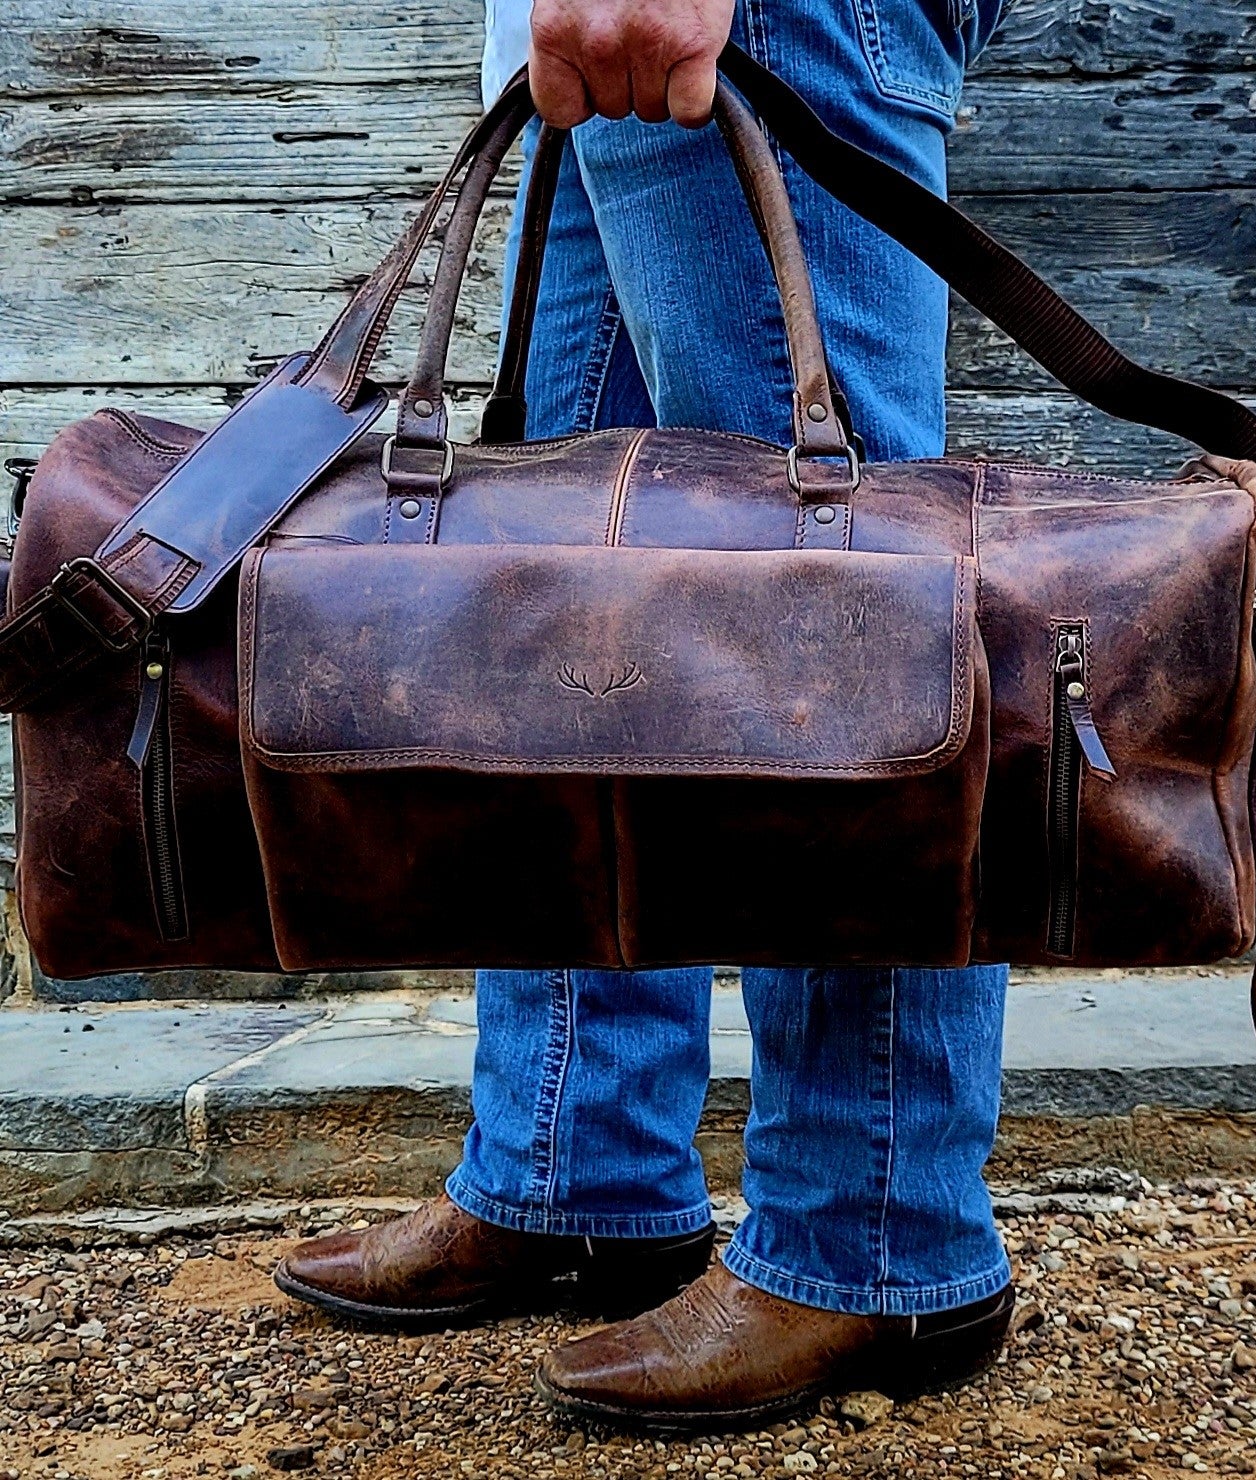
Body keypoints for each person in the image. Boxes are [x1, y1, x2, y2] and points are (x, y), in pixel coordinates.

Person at [276, 0, 1013, 1432]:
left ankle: (875, 1237)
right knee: (569, 601)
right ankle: (577, 1164)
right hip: (582, 40)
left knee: (837, 616)